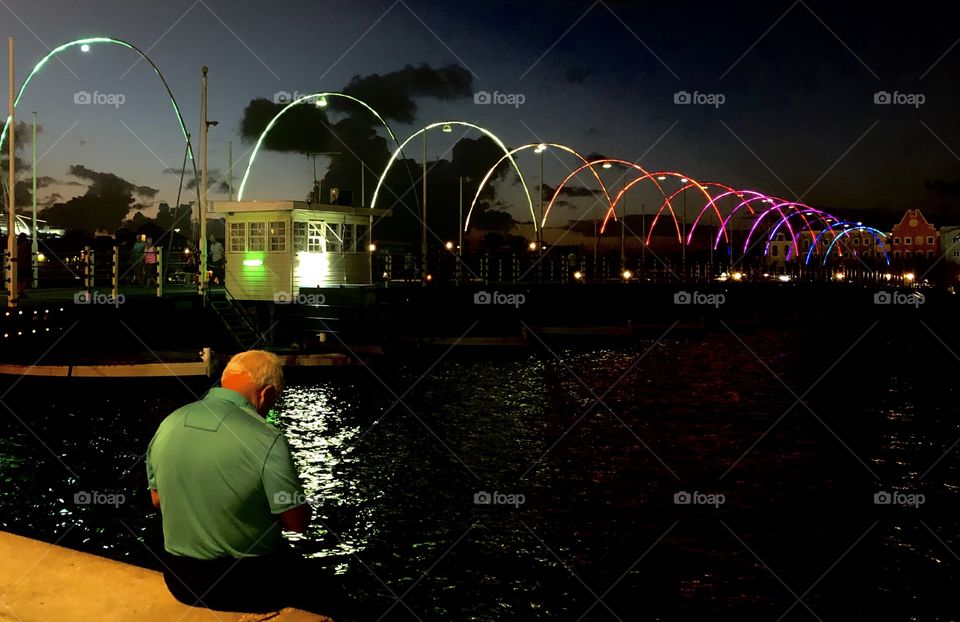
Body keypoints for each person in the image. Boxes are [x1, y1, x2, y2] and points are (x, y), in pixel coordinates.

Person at [146, 351, 314, 613]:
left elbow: (157, 499)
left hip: (180, 580)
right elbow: (297, 523)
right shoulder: (267, 437)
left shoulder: (170, 422)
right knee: (326, 592)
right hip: (246, 585)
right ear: (266, 394)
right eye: (274, 400)